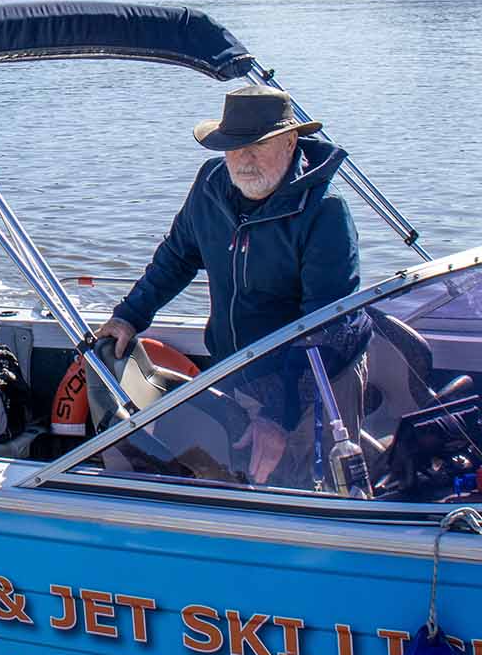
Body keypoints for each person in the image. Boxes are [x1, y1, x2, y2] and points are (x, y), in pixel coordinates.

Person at [92, 85, 361, 485]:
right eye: (234, 147)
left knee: (305, 492)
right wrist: (130, 316)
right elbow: (178, 256)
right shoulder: (212, 184)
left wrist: (278, 416)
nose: (244, 160)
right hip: (235, 369)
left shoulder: (326, 212)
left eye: (257, 146)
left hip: (312, 379)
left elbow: (327, 328)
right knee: (235, 482)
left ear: (290, 142)